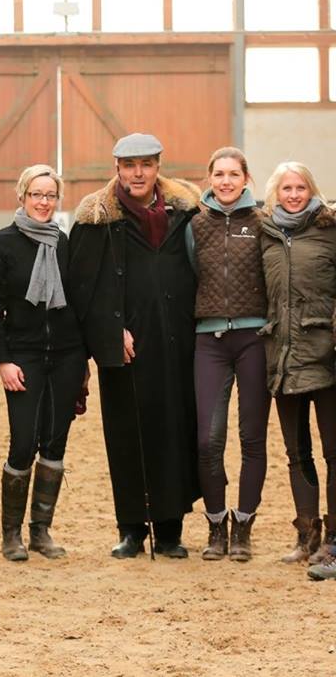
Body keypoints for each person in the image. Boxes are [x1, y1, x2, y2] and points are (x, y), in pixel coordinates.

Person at [68, 132, 200, 559]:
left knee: (173, 431)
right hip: (124, 347)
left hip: (177, 342)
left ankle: (170, 530)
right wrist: (112, 329)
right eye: (129, 166)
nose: (137, 173)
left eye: (145, 164)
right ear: (117, 169)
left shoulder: (186, 212)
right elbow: (83, 286)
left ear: (159, 166)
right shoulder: (97, 219)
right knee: (126, 435)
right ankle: (131, 529)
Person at [0, 164, 87, 561]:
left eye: (50, 195)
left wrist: (84, 363)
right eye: (36, 194)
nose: (43, 202)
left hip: (67, 355)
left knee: (55, 442)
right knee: (23, 441)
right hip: (22, 356)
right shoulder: (1, 244)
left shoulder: (64, 242)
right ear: (22, 196)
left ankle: (41, 530)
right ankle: (11, 533)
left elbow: (76, 302)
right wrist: (3, 361)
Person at [186, 147, 269, 562]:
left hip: (254, 338)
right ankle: (216, 524)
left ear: (246, 178)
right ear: (210, 178)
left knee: (252, 437)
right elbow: (191, 274)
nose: (225, 181)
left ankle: (244, 525)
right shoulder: (196, 225)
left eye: (233, 174)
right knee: (208, 439)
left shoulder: (262, 222)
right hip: (209, 342)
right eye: (218, 174)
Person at [260, 161, 336, 567]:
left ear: (311, 190)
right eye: (286, 187)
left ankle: (335, 539)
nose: (293, 194)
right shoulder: (266, 235)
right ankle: (307, 534)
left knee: (334, 452)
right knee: (296, 451)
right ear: (276, 193)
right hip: (282, 356)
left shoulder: (329, 229)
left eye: (300, 187)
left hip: (324, 354)